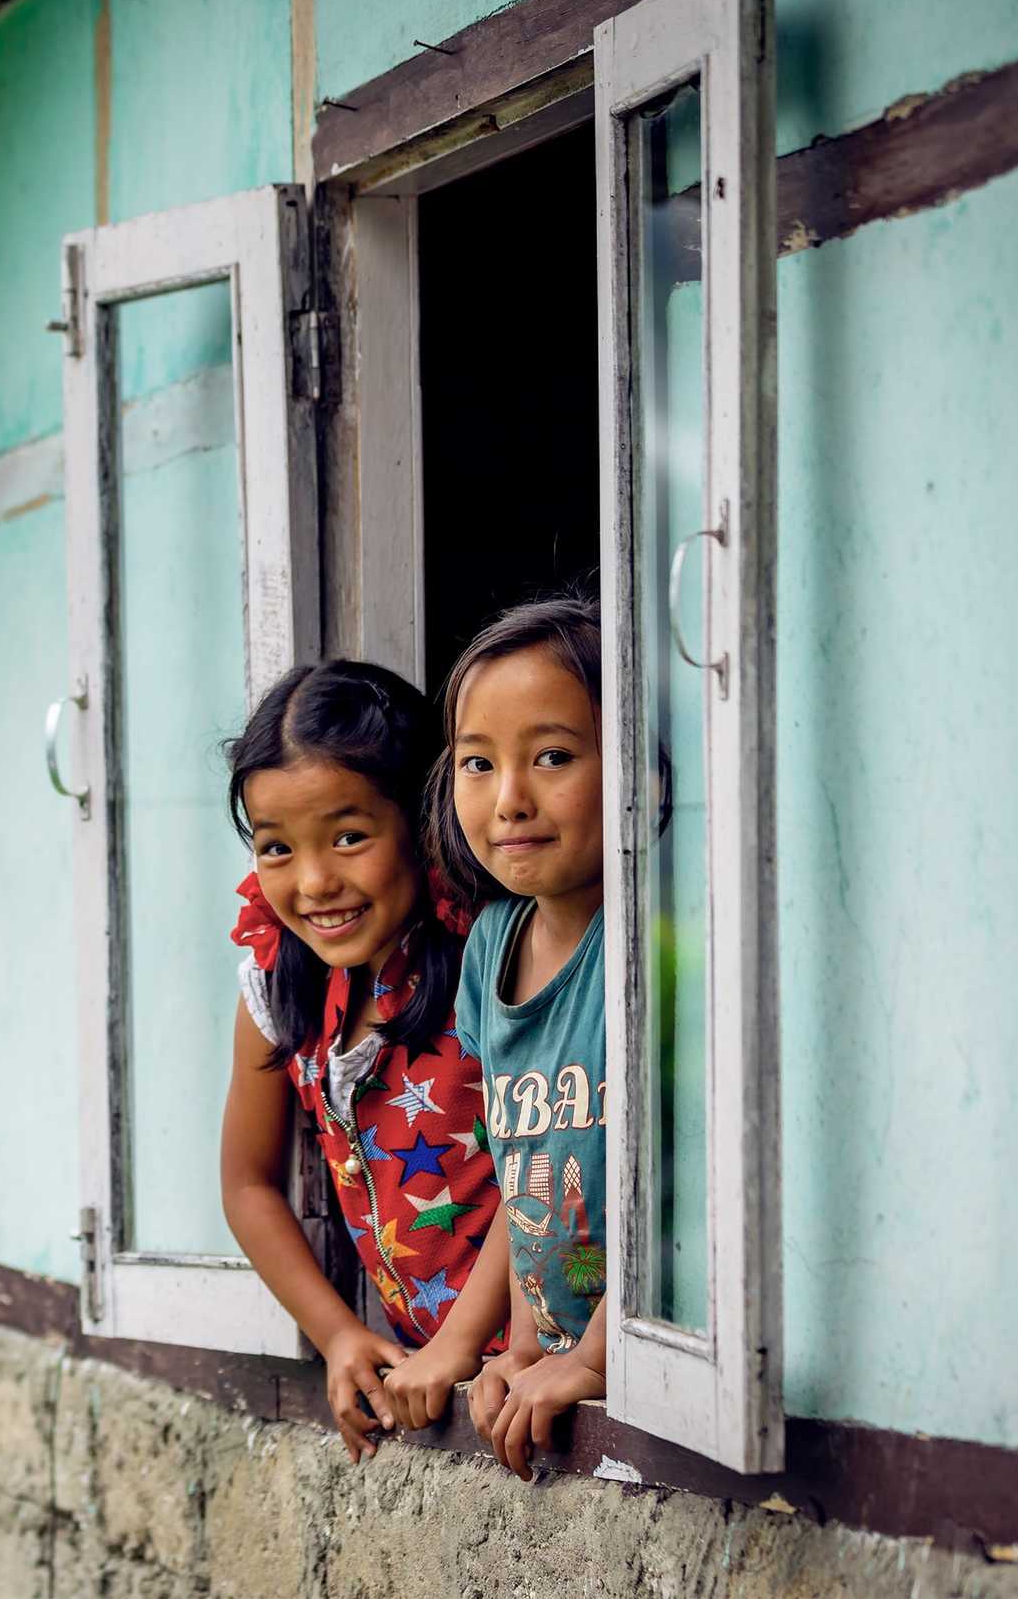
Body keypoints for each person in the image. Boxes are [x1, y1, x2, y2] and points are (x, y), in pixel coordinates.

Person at [220, 660, 510, 1463]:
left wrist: (461, 1345)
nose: (315, 881)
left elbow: (549, 1170)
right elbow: (246, 1184)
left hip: (532, 1364)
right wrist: (340, 1336)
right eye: (277, 848)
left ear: (422, 820)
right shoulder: (280, 987)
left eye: (349, 837)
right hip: (426, 1375)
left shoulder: (494, 959)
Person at [426, 596, 610, 1480]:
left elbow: (690, 1197)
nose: (509, 800)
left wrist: (599, 1356)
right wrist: (527, 1345)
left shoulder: (649, 944)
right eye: (478, 762)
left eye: (553, 756)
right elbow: (529, 1174)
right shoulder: (491, 946)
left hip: (648, 1355)